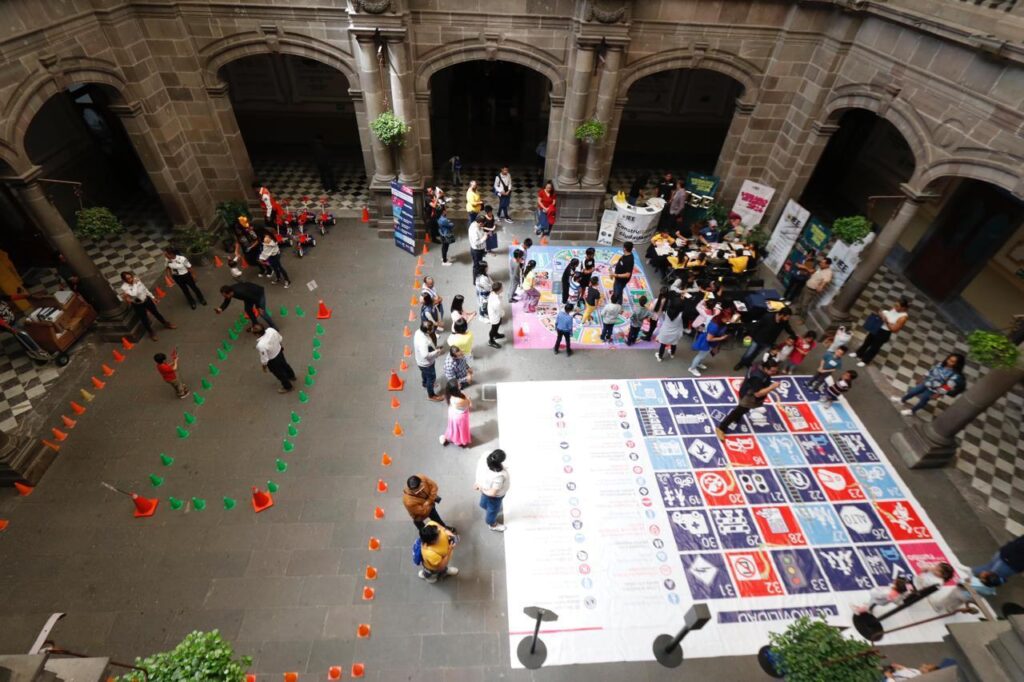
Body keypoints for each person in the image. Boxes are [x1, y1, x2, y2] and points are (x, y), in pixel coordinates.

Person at [855, 562, 954, 614]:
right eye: (936, 566)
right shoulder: (932, 570)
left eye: (938, 570)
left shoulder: (938, 582)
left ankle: (872, 605)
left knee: (896, 592)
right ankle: (873, 604)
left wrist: (911, 591)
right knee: (895, 590)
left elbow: (926, 589)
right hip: (912, 582)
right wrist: (926, 569)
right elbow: (921, 571)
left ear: (943, 575)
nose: (935, 569)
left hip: (914, 588)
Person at [716, 360, 781, 438]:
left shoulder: (757, 364)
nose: (774, 373)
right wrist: (772, 387)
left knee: (743, 410)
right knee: (738, 411)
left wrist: (745, 382)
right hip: (748, 397)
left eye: (775, 370)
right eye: (772, 371)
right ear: (765, 368)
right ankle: (721, 428)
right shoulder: (758, 378)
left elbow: (748, 374)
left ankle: (737, 418)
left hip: (746, 389)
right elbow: (758, 394)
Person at [893, 353, 965, 416]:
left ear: (957, 364)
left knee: (923, 400)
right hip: (927, 383)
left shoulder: (955, 376)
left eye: (952, 361)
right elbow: (931, 371)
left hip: (934, 390)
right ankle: (902, 400)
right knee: (913, 391)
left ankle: (912, 411)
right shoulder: (941, 364)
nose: (948, 362)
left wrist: (938, 395)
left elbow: (947, 387)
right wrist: (922, 378)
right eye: (949, 359)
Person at [119, 271, 175, 341]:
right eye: (128, 278)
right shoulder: (124, 287)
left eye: (131, 277)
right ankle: (151, 333)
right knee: (144, 319)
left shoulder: (136, 279)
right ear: (124, 280)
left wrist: (153, 297)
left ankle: (165, 323)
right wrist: (134, 284)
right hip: (138, 304)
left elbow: (144, 289)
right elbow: (134, 294)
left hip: (146, 299)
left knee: (156, 312)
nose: (131, 279)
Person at [853, 298, 909, 366]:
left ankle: (865, 360)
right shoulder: (894, 308)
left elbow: (894, 329)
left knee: (875, 347)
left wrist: (886, 320)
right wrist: (881, 314)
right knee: (867, 341)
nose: (895, 307)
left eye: (897, 306)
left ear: (903, 308)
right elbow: (889, 315)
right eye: (895, 305)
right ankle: (858, 353)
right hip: (878, 327)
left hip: (884, 332)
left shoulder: (903, 317)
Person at [254, 323, 296, 393]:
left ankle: (288, 387)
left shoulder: (261, 345)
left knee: (279, 373)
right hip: (279, 352)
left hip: (273, 360)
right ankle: (292, 376)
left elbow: (264, 358)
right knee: (285, 365)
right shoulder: (271, 330)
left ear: (257, 334)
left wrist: (264, 367)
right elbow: (279, 338)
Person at [474, 449, 510, 532]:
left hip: (485, 488)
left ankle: (484, 505)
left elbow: (478, 471)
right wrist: (482, 489)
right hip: (495, 497)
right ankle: (492, 524)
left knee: (485, 500)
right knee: (493, 511)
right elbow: (493, 493)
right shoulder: (499, 476)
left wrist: (479, 485)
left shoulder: (486, 455)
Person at [688, 309, 730, 376]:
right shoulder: (715, 326)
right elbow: (709, 339)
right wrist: (721, 338)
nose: (728, 320)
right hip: (707, 343)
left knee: (703, 355)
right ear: (721, 317)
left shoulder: (716, 320)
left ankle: (698, 364)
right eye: (727, 318)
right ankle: (692, 368)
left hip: (710, 343)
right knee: (700, 356)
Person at [414, 321, 446, 402]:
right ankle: (431, 395)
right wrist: (437, 351)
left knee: (425, 374)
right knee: (431, 378)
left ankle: (425, 383)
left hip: (420, 362)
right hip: (426, 363)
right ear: (428, 331)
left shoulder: (418, 331)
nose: (434, 328)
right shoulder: (423, 341)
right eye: (432, 328)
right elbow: (425, 355)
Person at [440, 380, 472, 448]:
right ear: (455, 390)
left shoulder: (449, 394)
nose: (460, 384)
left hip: (453, 412)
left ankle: (454, 437)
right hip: (460, 416)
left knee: (455, 428)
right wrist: (469, 399)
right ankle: (462, 441)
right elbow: (469, 404)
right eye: (458, 385)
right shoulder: (460, 400)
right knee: (461, 429)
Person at [486, 282, 504, 349]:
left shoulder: (492, 293)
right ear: (499, 290)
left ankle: (496, 335)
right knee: (494, 328)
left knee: (498, 325)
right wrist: (502, 314)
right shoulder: (497, 302)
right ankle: (491, 341)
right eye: (502, 287)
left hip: (494, 313)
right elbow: (499, 311)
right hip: (495, 316)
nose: (503, 288)